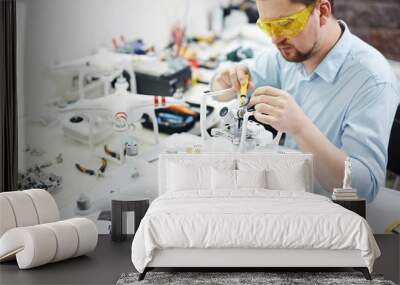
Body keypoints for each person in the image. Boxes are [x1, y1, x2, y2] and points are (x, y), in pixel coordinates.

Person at [211, 0, 400, 202]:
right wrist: (225, 80)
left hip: (333, 213)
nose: (275, 38)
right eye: (268, 26)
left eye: (285, 24)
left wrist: (299, 128)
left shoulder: (372, 80)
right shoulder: (289, 55)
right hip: (289, 195)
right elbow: (220, 85)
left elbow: (363, 189)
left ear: (322, 12)